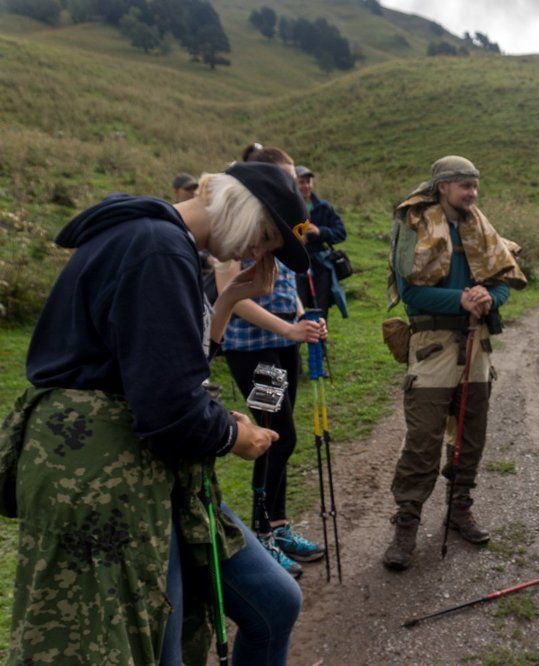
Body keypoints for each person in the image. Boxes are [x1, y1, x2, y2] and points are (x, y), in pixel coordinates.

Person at [1, 161, 308, 664]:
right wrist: (235, 437)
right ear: (240, 205)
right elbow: (171, 412)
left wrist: (229, 298)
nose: (259, 253)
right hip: (104, 475)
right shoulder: (158, 248)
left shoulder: (162, 244)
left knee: (273, 604)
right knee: (150, 643)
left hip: (142, 468)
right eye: (266, 235)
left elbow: (178, 372)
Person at [382, 155, 525, 571]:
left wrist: (488, 298)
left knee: (471, 436)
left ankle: (459, 507)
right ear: (442, 186)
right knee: (423, 441)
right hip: (431, 349)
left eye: (475, 186)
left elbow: (501, 283)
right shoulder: (414, 228)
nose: (472, 193)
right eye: (465, 185)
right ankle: (406, 521)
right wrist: (459, 299)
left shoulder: (480, 227)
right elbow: (410, 294)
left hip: (476, 349)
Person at [216, 144, 327, 578]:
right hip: (252, 346)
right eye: (284, 180)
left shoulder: (280, 229)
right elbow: (233, 299)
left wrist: (304, 320)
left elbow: (287, 292)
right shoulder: (237, 227)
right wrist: (286, 329)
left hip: (284, 342)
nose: (292, 188)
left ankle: (277, 526)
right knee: (272, 435)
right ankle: (261, 533)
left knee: (283, 434)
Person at [294, 164, 348, 320]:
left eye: (308, 182)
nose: (305, 186)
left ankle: (320, 343)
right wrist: (295, 240)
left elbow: (341, 233)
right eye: (301, 182)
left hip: (321, 267)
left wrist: (320, 232)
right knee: (296, 311)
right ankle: (295, 342)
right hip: (296, 266)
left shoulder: (324, 207)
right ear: (293, 183)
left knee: (321, 311)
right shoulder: (287, 207)